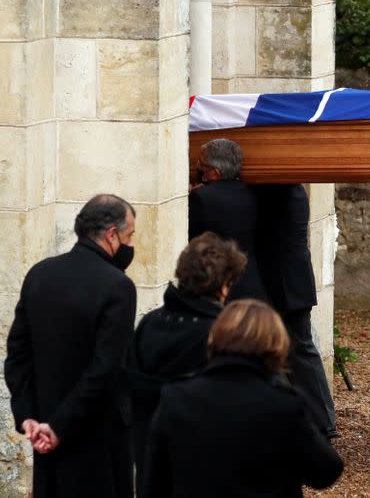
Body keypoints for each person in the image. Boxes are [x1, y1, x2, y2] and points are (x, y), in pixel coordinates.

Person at [4, 194, 138, 498]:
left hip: (45, 430)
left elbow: (17, 357)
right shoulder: (117, 286)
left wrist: (29, 418)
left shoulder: (40, 273)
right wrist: (59, 427)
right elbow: (105, 368)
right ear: (112, 235)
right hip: (96, 433)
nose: (131, 245)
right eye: (129, 236)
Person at [141, 299, 343, 498]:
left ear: (216, 337)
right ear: (274, 345)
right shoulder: (284, 405)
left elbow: (154, 483)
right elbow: (326, 471)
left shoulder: (176, 398)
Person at [126, 232, 246, 493]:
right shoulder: (222, 333)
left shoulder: (150, 323)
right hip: (203, 464)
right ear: (224, 283)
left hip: (151, 454)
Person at [253, 183, 338, 438]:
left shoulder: (279, 189)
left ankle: (323, 422)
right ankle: (317, 420)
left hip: (286, 283)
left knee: (301, 351)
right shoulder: (290, 189)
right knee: (298, 351)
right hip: (290, 281)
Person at [189, 137, 268, 302]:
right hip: (252, 283)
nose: (198, 167)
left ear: (215, 173)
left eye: (202, 165)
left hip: (217, 284)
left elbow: (191, 238)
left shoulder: (200, 197)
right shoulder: (255, 193)